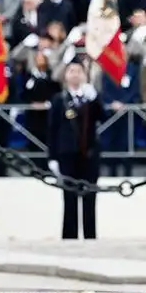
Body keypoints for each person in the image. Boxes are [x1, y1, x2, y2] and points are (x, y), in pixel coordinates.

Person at [48, 58, 103, 239]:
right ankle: (69, 238)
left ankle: (90, 237)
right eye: (71, 71)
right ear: (65, 75)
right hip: (67, 154)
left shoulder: (90, 97)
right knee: (69, 199)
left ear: (84, 75)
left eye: (78, 71)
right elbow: (52, 129)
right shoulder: (58, 100)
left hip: (89, 154)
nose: (75, 74)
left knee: (90, 199)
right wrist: (52, 157)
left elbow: (103, 116)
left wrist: (95, 98)